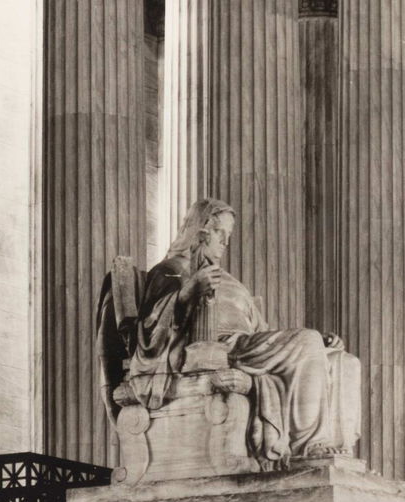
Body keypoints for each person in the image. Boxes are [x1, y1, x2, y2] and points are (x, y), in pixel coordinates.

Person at [113, 197, 357, 466]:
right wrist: (187, 292)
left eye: (228, 235)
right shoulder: (170, 270)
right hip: (221, 349)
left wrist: (322, 343)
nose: (225, 242)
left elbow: (263, 331)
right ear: (201, 231)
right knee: (307, 341)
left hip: (248, 346)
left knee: (341, 360)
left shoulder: (231, 281)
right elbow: (149, 326)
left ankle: (334, 447)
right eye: (220, 232)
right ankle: (308, 447)